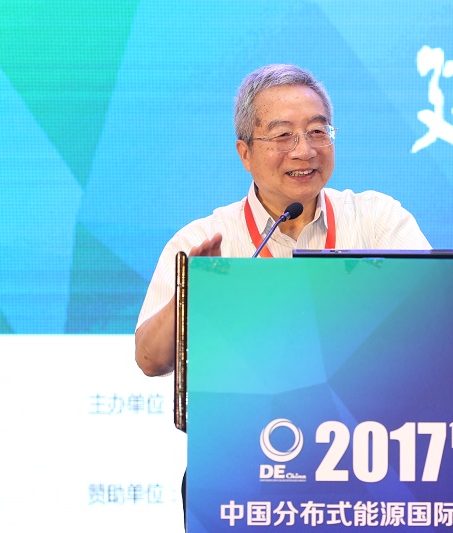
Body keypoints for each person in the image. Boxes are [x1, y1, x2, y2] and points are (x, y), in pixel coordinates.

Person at [135, 64, 431, 377]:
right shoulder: (200, 242)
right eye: (283, 136)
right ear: (245, 153)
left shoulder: (377, 220)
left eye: (317, 132)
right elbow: (149, 360)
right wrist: (191, 296)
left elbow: (437, 314)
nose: (304, 151)